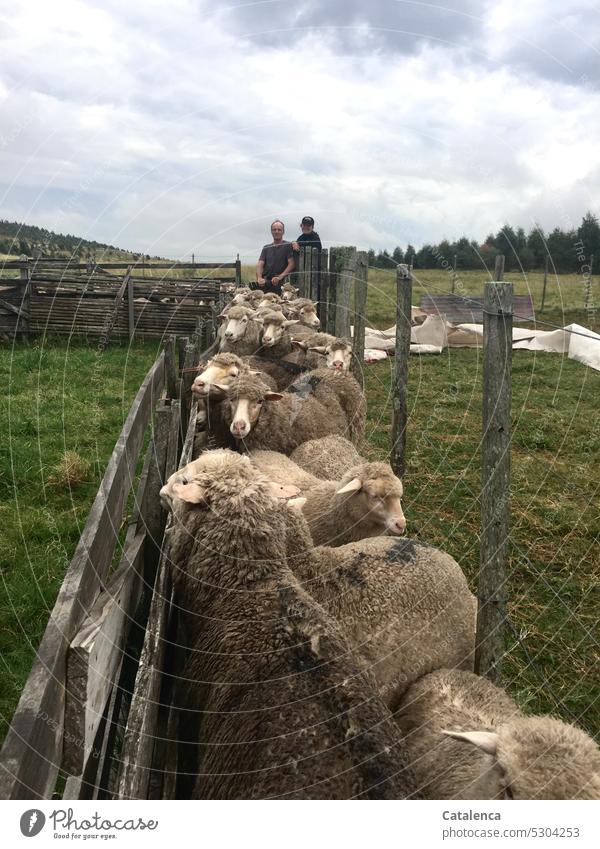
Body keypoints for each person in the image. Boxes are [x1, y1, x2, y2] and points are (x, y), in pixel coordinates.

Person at [256, 220, 295, 295]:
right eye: (274, 229)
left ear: (283, 232)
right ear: (271, 231)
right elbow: (260, 264)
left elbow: (291, 264)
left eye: (279, 230)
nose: (276, 232)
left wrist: (279, 277)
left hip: (281, 285)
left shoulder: (288, 245)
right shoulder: (266, 247)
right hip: (266, 284)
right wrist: (259, 278)